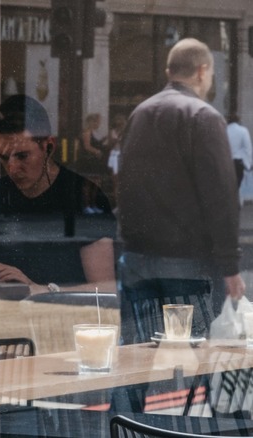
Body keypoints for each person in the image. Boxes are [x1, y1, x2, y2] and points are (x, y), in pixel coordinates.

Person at [117, 38, 244, 343]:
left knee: (135, 365)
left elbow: (122, 184)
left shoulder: (139, 114)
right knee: (187, 366)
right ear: (202, 71)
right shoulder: (204, 117)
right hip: (187, 262)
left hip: (136, 258)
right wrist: (230, 266)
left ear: (168, 71)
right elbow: (222, 199)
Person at [0, 94, 115, 294]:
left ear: (49, 146)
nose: (13, 168)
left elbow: (106, 289)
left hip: (69, 316)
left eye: (22, 156)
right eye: (4, 158)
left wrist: (41, 290)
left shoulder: (84, 196)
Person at [77, 113, 107, 214]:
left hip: (95, 161)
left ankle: (93, 205)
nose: (98, 123)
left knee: (96, 184)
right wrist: (97, 151)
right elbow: (87, 146)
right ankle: (86, 206)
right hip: (88, 160)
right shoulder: (87, 132)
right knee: (88, 184)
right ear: (92, 122)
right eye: (97, 121)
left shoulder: (95, 133)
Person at [226, 113, 252, 188]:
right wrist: (248, 163)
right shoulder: (243, 131)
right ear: (238, 121)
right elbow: (248, 148)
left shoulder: (224, 130)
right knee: (236, 186)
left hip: (226, 162)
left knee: (227, 187)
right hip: (238, 163)